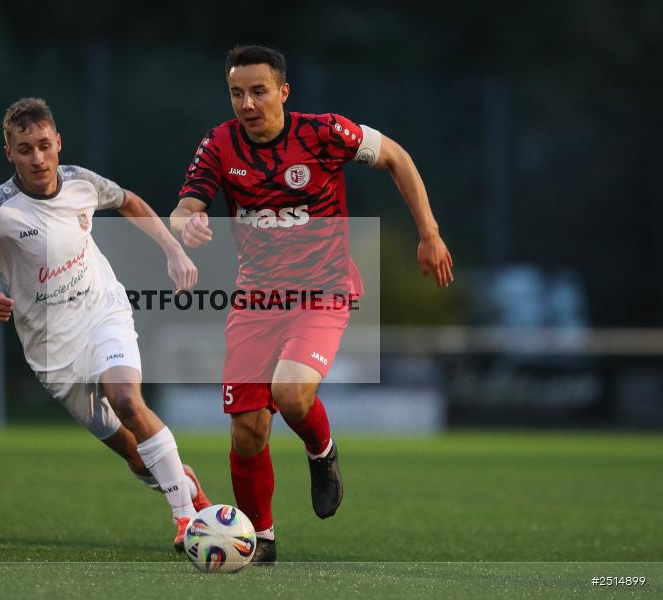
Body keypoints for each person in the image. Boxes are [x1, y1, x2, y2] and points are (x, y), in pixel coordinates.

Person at [170, 46, 454, 564]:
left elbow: (397, 158)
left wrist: (428, 233)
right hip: (257, 298)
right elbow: (187, 202)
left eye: (258, 91)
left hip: (322, 290)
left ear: (283, 91)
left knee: (292, 395)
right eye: (237, 93)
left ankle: (322, 454)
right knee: (248, 428)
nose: (247, 104)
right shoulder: (220, 143)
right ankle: (261, 538)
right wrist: (186, 220)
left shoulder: (324, 133)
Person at [0, 97, 211, 552]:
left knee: (126, 398)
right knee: (135, 455)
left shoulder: (81, 183)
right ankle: (189, 490)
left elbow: (130, 202)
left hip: (103, 312)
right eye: (25, 149)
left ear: (58, 142)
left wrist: (174, 250)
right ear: (9, 153)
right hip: (51, 351)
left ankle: (186, 522)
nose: (37, 158)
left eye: (44, 145)